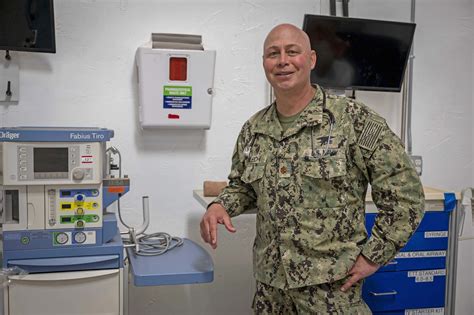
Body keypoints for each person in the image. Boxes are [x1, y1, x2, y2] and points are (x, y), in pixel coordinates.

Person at [200, 23, 424, 314]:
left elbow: (406, 195)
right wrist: (221, 206)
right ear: (264, 63)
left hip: (331, 294)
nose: (283, 61)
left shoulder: (352, 120)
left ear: (312, 59)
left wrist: (373, 257)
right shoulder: (254, 130)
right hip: (271, 293)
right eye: (273, 53)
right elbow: (244, 187)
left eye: (293, 52)